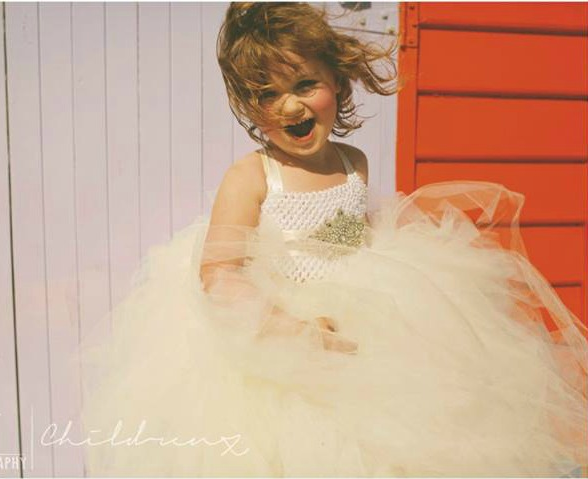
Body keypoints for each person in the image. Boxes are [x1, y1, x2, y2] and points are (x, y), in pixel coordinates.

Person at [76, 3, 588, 476]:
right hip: (277, 334)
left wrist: (385, 292)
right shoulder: (252, 176)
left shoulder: (353, 163)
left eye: (305, 85)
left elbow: (342, 238)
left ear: (338, 83)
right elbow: (220, 272)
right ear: (249, 106)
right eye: (268, 94)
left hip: (357, 321)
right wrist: (289, 327)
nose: (290, 106)